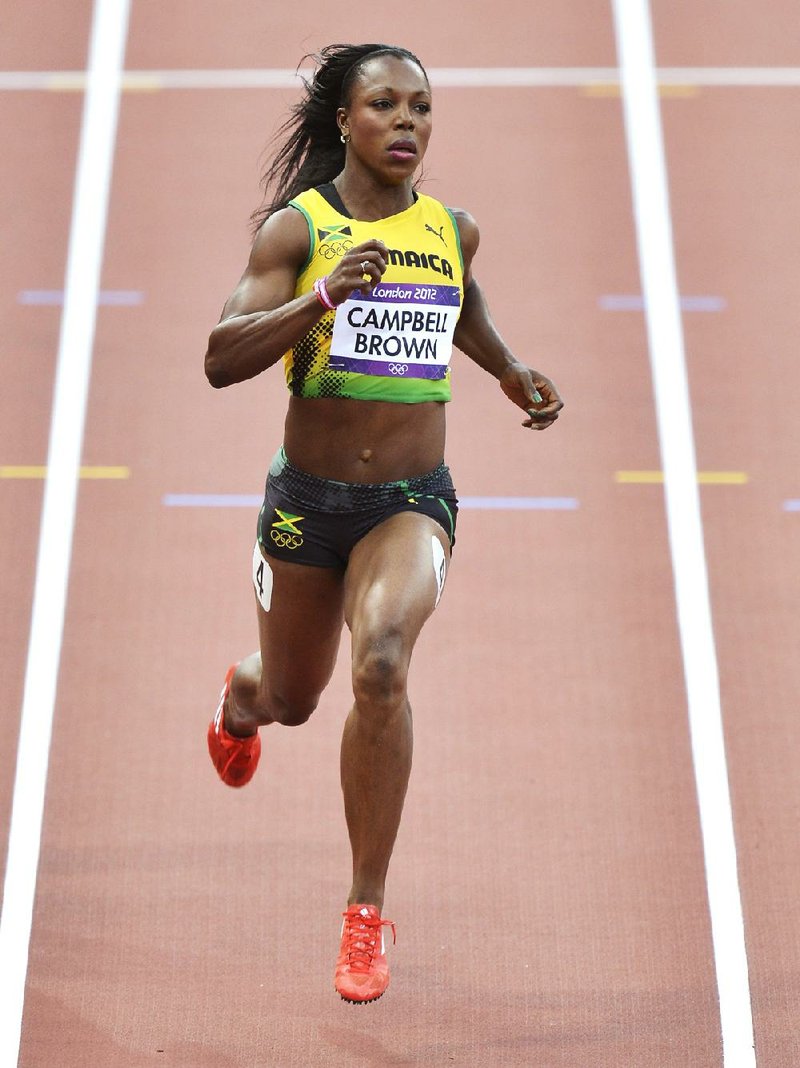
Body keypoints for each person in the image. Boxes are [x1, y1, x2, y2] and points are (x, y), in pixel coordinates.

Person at [204, 42, 563, 1005]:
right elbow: (219, 356)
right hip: (308, 507)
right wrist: (323, 295)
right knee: (293, 696)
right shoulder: (298, 231)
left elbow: (460, 300)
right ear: (343, 123)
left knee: (383, 665)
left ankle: (364, 912)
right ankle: (242, 698)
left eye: (421, 108)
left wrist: (506, 367)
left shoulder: (452, 228)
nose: (407, 123)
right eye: (385, 106)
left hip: (411, 501)